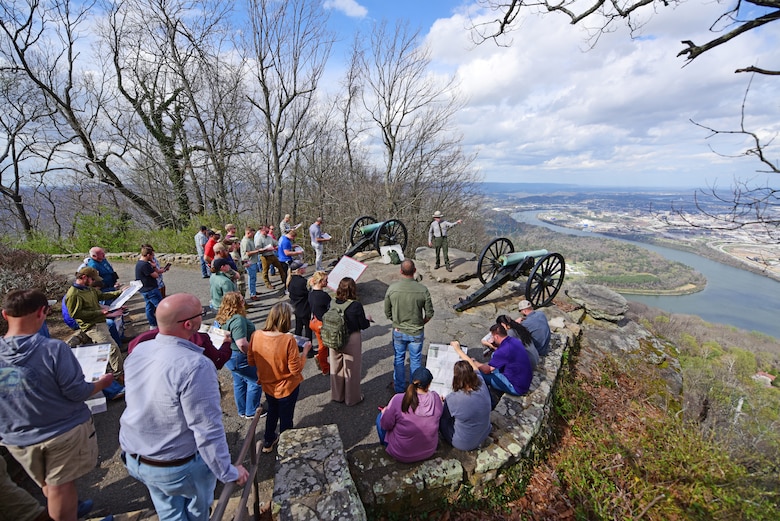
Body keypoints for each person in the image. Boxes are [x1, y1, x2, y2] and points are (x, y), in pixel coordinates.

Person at [120, 293, 248, 521]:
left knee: (170, 513)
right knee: (199, 512)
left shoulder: (140, 351)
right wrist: (228, 472)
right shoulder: (195, 366)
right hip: (177, 465)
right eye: (201, 314)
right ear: (189, 324)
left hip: (137, 457)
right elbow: (207, 428)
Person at [0, 289, 115, 521]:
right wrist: (101, 383)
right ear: (43, 312)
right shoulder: (53, 349)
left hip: (17, 436)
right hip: (60, 431)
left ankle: (71, 509)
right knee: (61, 487)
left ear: (5, 315)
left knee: (49, 484)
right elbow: (76, 392)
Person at [247, 302, 311, 454]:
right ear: (286, 319)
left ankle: (268, 441)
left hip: (268, 385)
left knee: (272, 412)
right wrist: (305, 353)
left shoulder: (256, 335)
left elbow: (250, 361)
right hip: (286, 387)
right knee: (286, 418)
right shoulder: (288, 340)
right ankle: (286, 447)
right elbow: (295, 370)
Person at [65, 267, 126, 397]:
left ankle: (115, 374)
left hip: (100, 322)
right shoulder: (73, 294)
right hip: (92, 326)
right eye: (92, 279)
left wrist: (120, 293)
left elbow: (102, 295)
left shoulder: (88, 288)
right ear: (83, 277)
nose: (93, 282)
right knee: (112, 348)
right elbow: (76, 314)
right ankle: (119, 376)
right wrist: (99, 312)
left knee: (107, 349)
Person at [384, 259, 434, 393]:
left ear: (401, 271)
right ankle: (415, 390)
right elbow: (429, 313)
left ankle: (399, 388)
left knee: (399, 359)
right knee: (416, 361)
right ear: (415, 271)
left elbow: (387, 311)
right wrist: (421, 322)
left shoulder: (392, 289)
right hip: (416, 331)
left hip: (398, 329)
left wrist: (395, 320)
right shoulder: (423, 290)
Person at [376, 367, 443, 463]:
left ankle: (385, 444)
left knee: (380, 418)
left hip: (401, 453)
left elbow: (385, 425)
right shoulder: (436, 398)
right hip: (429, 451)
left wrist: (385, 412)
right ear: (429, 385)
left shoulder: (398, 399)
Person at [453, 324, 533, 402]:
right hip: (523, 380)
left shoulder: (503, 351)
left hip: (515, 387)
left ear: (496, 336)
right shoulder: (514, 341)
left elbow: (486, 370)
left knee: (477, 373)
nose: (491, 338)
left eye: (492, 336)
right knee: (494, 354)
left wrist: (474, 362)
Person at [216, 292, 264, 419]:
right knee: (255, 380)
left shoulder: (222, 316)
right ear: (237, 303)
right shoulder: (238, 319)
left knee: (239, 382)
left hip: (230, 357)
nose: (244, 302)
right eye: (242, 300)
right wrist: (253, 354)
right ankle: (252, 411)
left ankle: (242, 410)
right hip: (239, 356)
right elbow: (242, 343)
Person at [329, 277, 372, 406]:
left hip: (334, 337)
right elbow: (363, 325)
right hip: (351, 338)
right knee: (352, 369)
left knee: (336, 367)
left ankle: (337, 395)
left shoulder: (332, 303)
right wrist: (368, 319)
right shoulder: (356, 305)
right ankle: (352, 398)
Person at [439, 357, 492, 451]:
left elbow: (444, 415)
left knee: (442, 420)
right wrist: (458, 350)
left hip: (464, 443)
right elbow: (474, 367)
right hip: (485, 431)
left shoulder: (454, 399)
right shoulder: (481, 383)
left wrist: (440, 403)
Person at [127, 327, 232, 370]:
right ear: (188, 323)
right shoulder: (200, 339)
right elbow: (217, 361)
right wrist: (226, 345)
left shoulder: (140, 341)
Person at [135, 245, 165, 329]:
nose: (153, 257)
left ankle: (153, 325)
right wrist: (154, 266)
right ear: (148, 255)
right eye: (152, 255)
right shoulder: (145, 265)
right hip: (150, 289)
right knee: (160, 307)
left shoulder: (139, 263)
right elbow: (155, 275)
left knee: (149, 308)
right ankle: (166, 324)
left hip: (144, 289)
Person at [307, 270, 331, 374]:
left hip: (314, 321)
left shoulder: (311, 294)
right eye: (326, 280)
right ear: (320, 281)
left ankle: (321, 359)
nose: (327, 282)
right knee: (324, 347)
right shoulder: (324, 296)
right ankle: (325, 367)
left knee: (322, 344)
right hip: (321, 324)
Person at [287, 261, 312, 342]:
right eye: (303, 268)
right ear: (299, 270)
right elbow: (308, 293)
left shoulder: (291, 281)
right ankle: (309, 349)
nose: (305, 269)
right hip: (304, 308)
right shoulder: (302, 282)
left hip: (296, 308)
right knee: (308, 329)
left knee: (298, 328)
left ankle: (298, 345)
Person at [254, 226, 285, 290]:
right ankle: (268, 284)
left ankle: (284, 280)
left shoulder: (269, 237)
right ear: (262, 231)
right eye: (266, 231)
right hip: (264, 256)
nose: (267, 232)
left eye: (267, 231)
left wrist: (277, 246)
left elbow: (276, 243)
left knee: (280, 266)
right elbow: (258, 249)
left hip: (272, 255)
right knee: (265, 271)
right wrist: (265, 249)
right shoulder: (259, 239)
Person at [240, 226, 262, 301]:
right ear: (248, 233)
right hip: (250, 262)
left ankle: (254, 291)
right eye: (252, 234)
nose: (253, 235)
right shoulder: (245, 241)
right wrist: (257, 251)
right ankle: (252, 294)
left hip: (253, 261)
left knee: (254, 278)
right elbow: (248, 253)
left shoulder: (250, 240)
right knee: (252, 278)